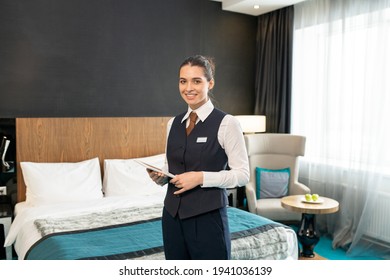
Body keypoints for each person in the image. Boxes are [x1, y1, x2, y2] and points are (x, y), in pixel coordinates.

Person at [148, 55, 249, 260]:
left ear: (210, 83)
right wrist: (162, 178)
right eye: (183, 81)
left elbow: (242, 175)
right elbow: (172, 168)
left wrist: (201, 177)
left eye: (197, 81)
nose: (188, 88)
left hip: (208, 218)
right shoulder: (172, 124)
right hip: (172, 217)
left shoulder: (227, 123)